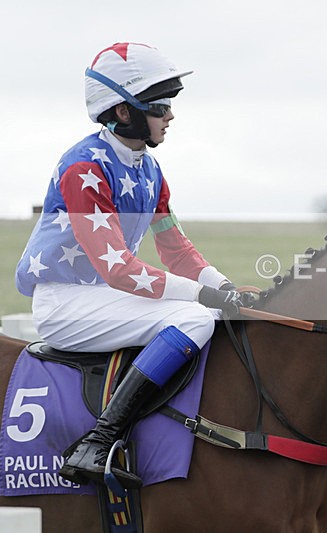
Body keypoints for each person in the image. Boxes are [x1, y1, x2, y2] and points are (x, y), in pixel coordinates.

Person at [14, 42, 242, 489]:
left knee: (216, 311)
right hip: (67, 304)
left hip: (108, 296)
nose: (170, 116)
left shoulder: (150, 169)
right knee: (195, 317)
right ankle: (97, 442)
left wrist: (226, 286)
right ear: (123, 112)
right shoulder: (83, 168)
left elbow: (175, 249)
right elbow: (118, 268)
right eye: (160, 106)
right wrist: (201, 294)